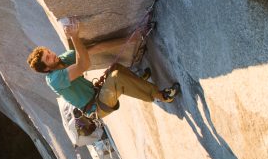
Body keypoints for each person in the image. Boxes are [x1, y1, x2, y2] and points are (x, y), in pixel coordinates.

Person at [27, 19, 179, 117]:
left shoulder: (63, 59)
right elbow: (83, 65)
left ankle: (137, 83)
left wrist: (132, 38)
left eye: (49, 52)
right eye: (48, 58)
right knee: (117, 78)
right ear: (46, 69)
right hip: (96, 107)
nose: (52, 54)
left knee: (115, 68)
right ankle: (162, 96)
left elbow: (97, 48)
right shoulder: (54, 80)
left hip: (97, 94)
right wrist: (74, 36)